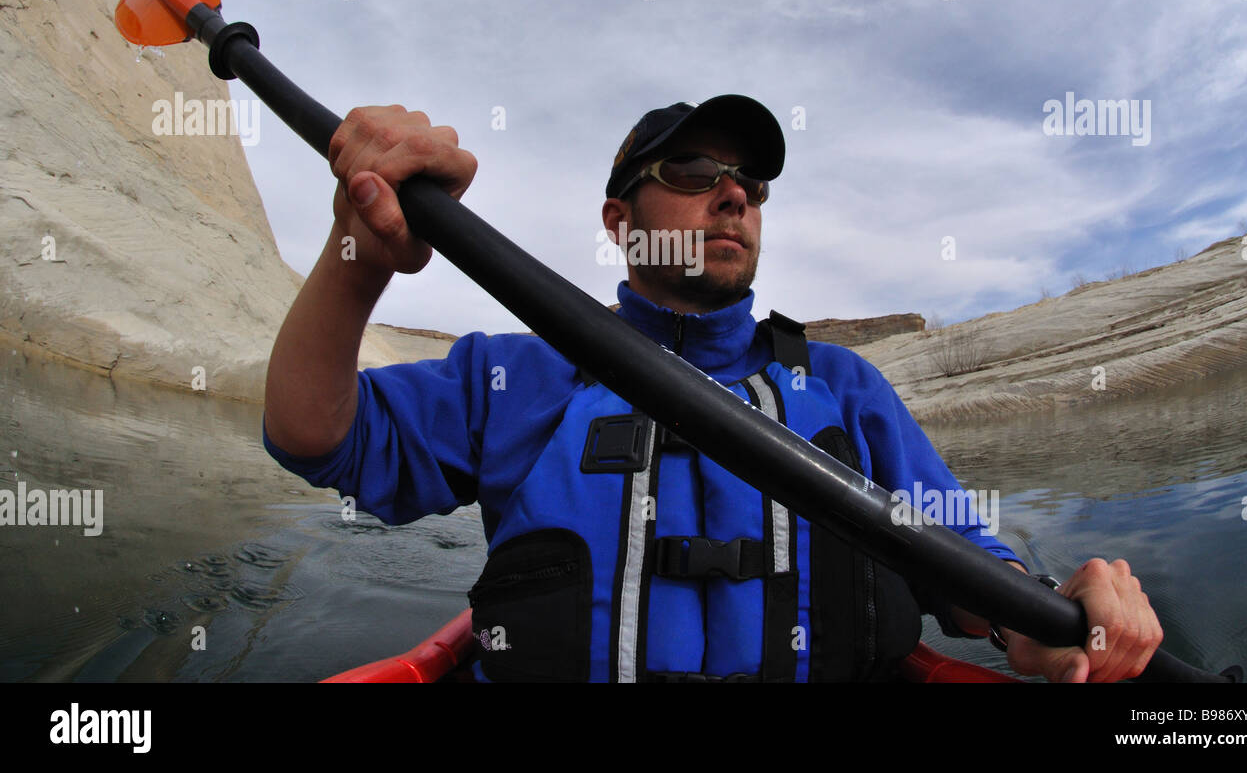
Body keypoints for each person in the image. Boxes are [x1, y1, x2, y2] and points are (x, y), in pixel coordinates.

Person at [263, 95, 1163, 683]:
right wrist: (359, 256)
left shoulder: (844, 387)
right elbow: (314, 435)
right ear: (621, 220)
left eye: (750, 183)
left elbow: (965, 566)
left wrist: (1041, 620)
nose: (732, 196)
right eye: (693, 175)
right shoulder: (518, 372)